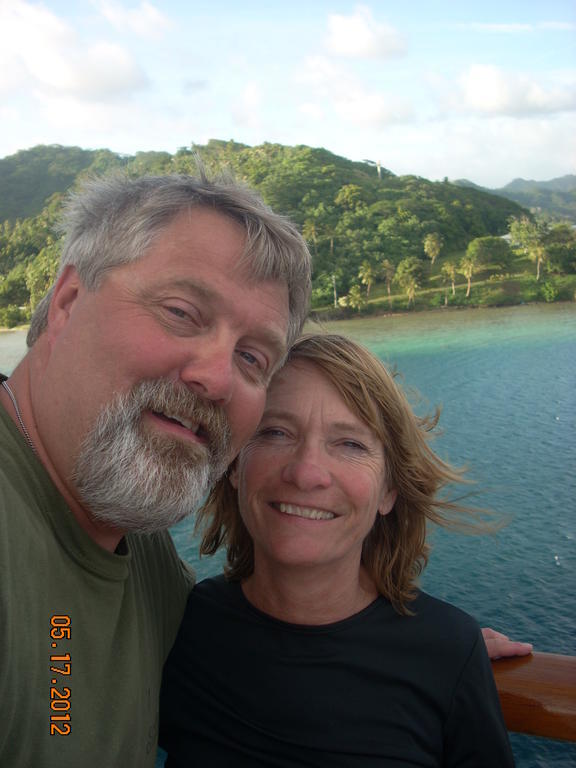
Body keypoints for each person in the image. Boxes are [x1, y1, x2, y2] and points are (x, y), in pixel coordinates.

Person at [0, 172, 311, 768]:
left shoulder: (137, 550)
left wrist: (400, 642)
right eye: (180, 313)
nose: (217, 379)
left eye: (253, 357)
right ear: (67, 302)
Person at [159, 333, 516, 767]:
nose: (307, 472)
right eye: (274, 432)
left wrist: (451, 654)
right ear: (235, 465)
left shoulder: (447, 652)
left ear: (389, 490)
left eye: (350, 444)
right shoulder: (183, 627)